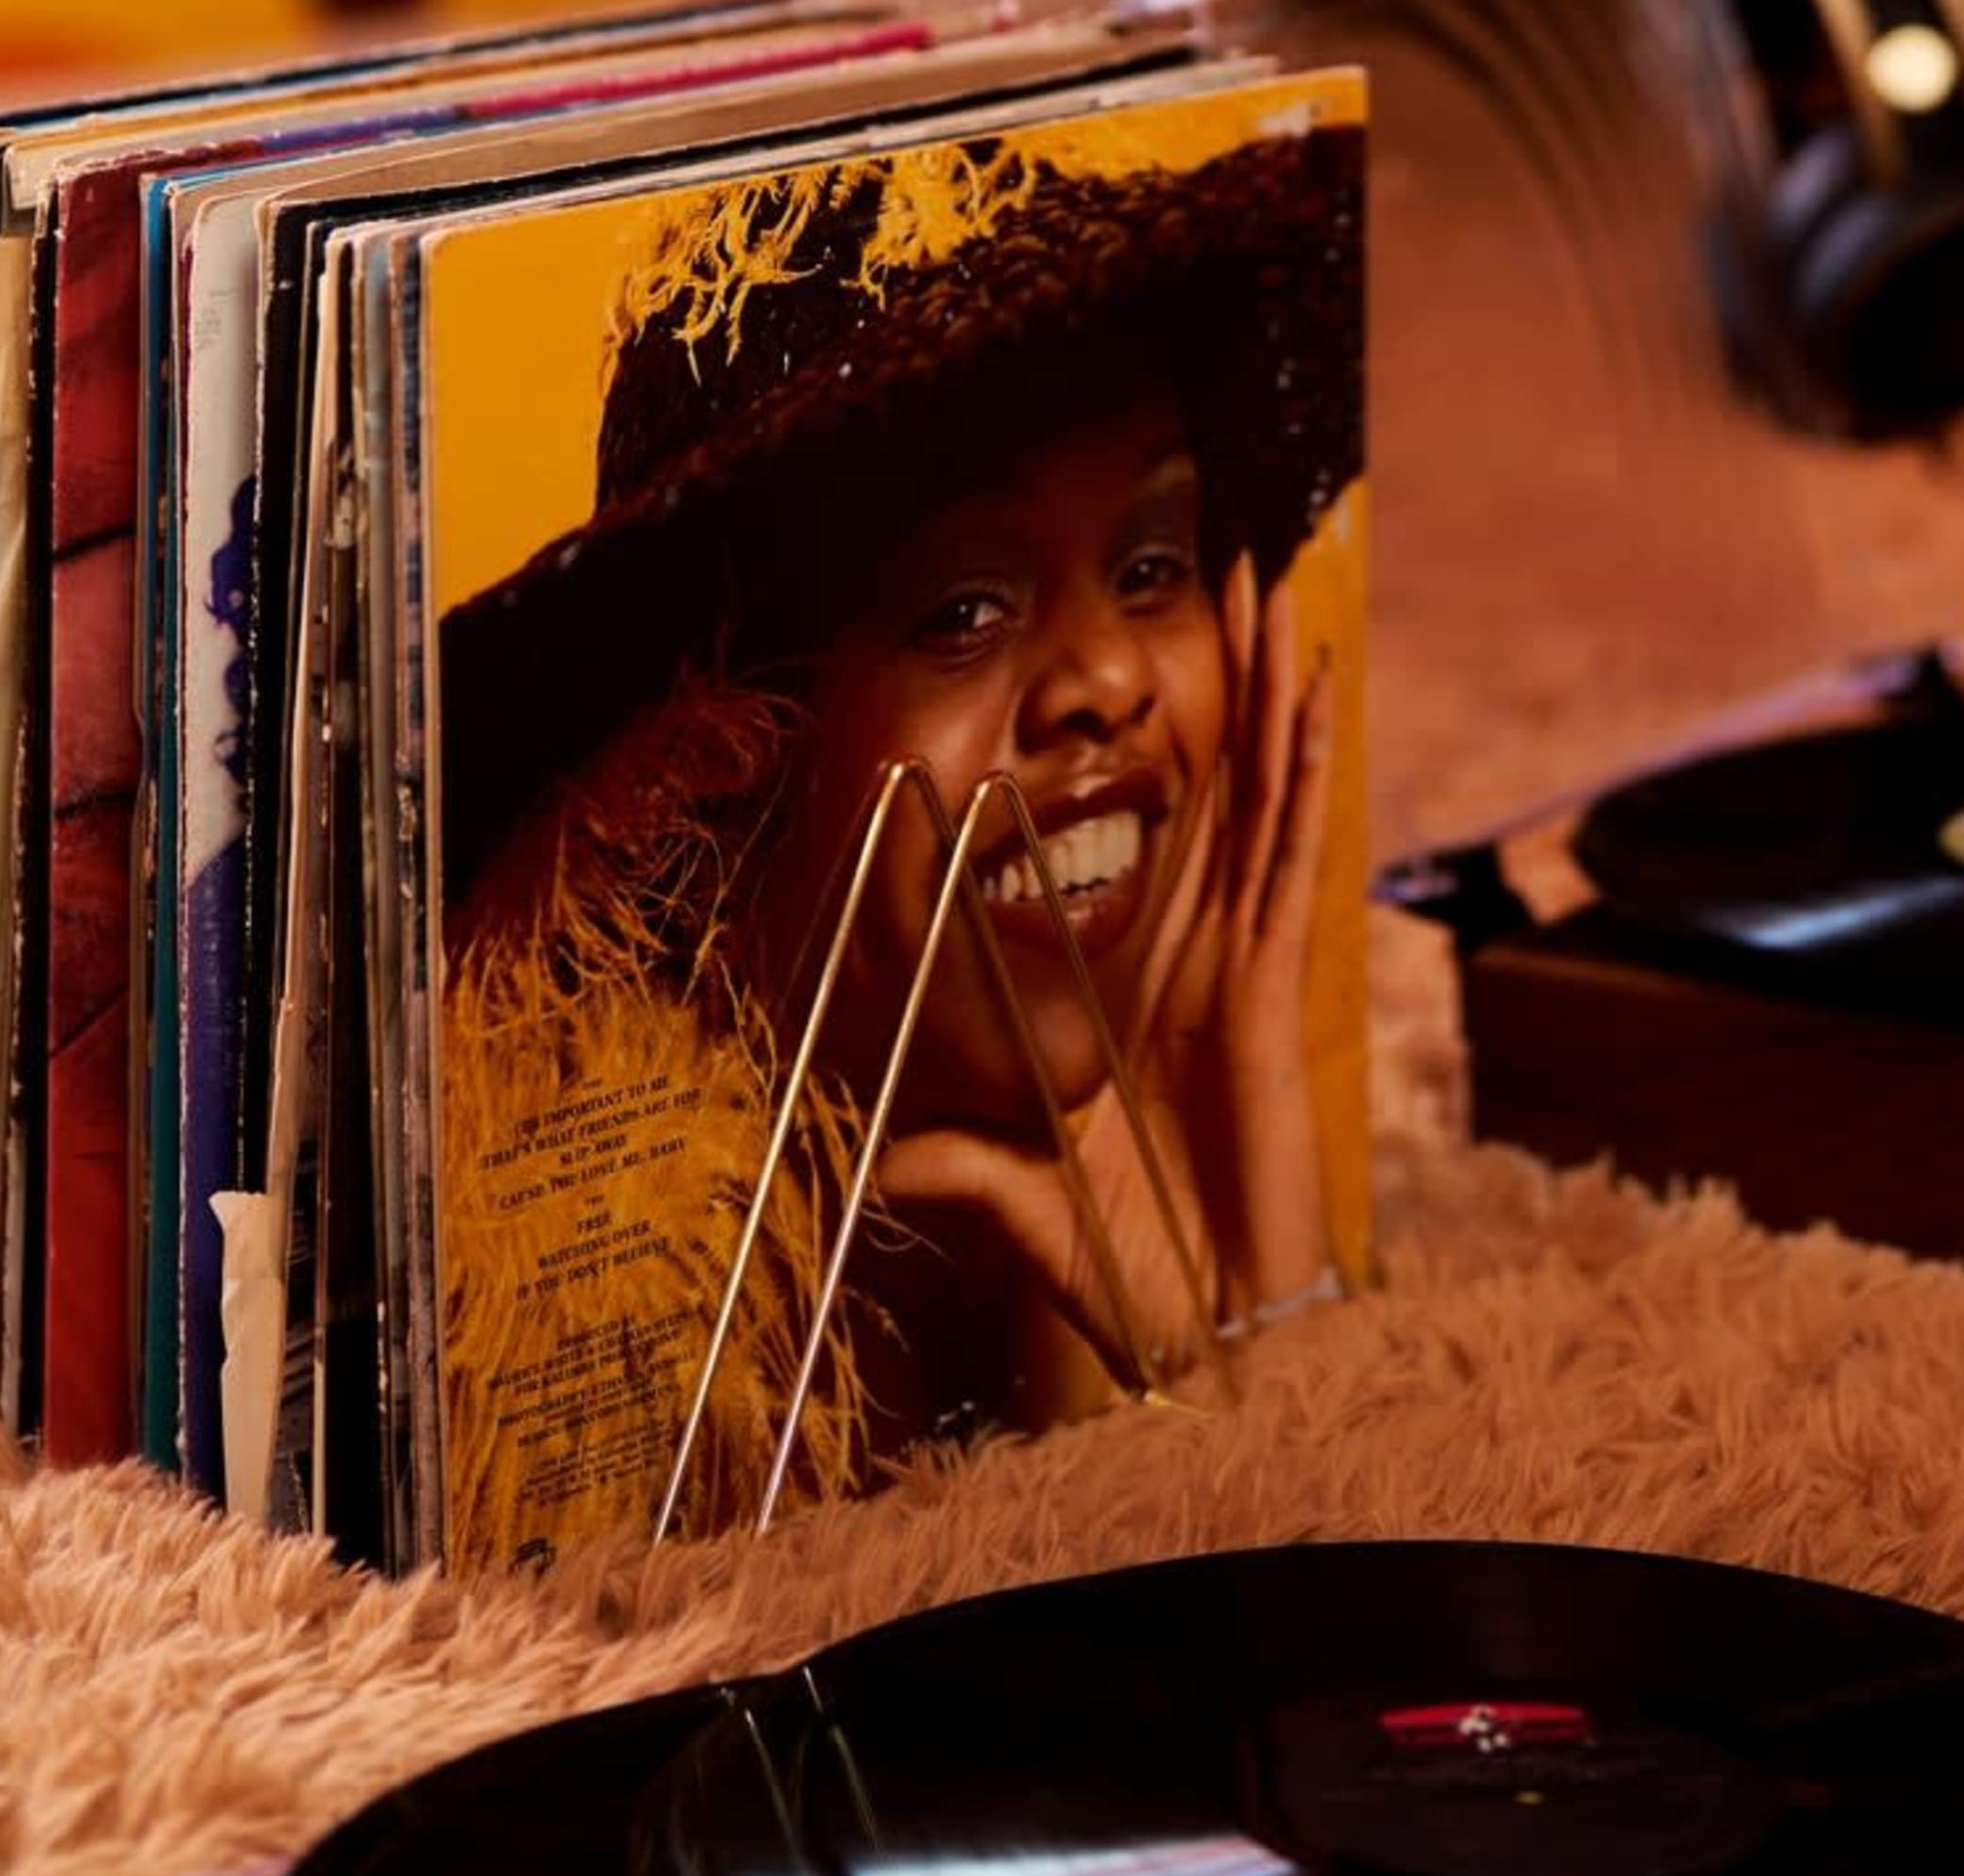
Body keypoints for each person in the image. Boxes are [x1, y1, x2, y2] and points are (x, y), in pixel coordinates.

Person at [434, 111, 1365, 1534]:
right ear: (713, 768)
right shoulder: (569, 1338)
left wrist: (1265, 1319)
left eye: (1154, 564)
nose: (1110, 681)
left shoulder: (1166, 1156)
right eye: (962, 611)